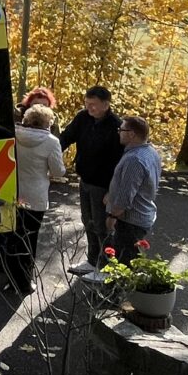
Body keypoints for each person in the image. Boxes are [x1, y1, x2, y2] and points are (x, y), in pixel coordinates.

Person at [0, 103, 65, 293]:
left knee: (12, 235)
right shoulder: (51, 142)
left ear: (27, 119)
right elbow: (58, 171)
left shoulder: (12, 136)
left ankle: (11, 278)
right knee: (29, 239)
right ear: (47, 123)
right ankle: (24, 282)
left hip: (11, 193)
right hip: (35, 197)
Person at [57, 86, 123, 270]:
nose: (89, 108)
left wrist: (112, 191)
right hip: (85, 180)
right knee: (88, 222)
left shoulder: (116, 126)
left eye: (93, 104)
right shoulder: (82, 118)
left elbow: (120, 163)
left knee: (102, 226)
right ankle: (92, 261)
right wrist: (50, 154)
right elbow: (66, 137)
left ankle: (106, 266)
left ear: (106, 105)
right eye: (87, 103)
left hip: (103, 184)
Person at [102, 115, 161, 269]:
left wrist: (113, 216)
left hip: (130, 221)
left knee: (124, 265)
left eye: (121, 130)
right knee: (130, 261)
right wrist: (111, 194)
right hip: (143, 216)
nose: (119, 132)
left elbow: (126, 194)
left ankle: (119, 286)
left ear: (131, 134)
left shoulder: (133, 159)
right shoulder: (150, 152)